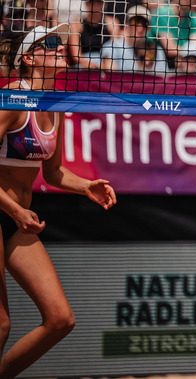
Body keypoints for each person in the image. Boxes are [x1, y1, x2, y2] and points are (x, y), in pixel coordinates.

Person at [0, 24, 116, 377]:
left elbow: (53, 173)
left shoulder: (54, 106)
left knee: (60, 319)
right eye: (48, 43)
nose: (59, 46)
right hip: (10, 211)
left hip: (19, 219)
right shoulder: (10, 102)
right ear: (28, 58)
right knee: (1, 325)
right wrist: (17, 209)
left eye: (59, 41)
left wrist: (85, 187)